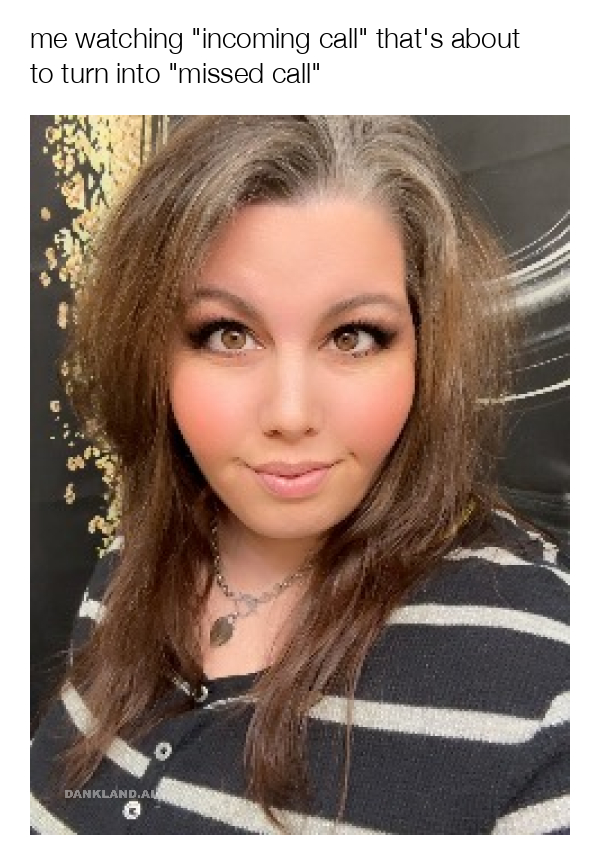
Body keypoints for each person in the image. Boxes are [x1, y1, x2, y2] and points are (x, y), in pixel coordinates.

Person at [30, 115, 569, 835]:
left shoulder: (549, 682)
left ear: (424, 350)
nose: (290, 414)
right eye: (229, 334)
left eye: (352, 337)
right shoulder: (136, 561)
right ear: (153, 353)